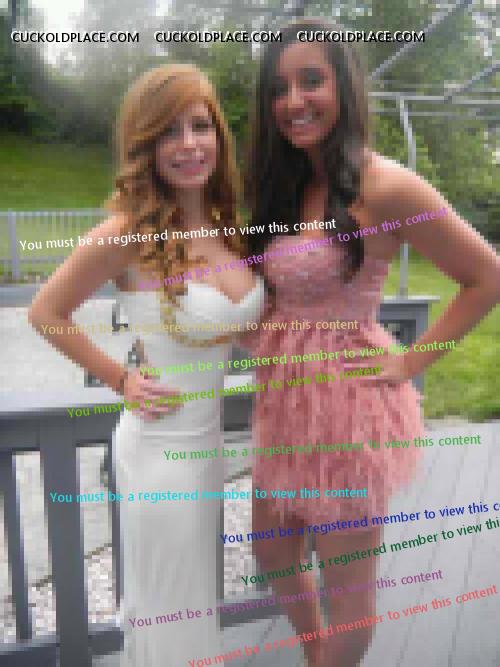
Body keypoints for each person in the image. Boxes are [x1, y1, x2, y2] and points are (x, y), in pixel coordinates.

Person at [245, 18, 500, 666]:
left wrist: (411, 360)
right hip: (283, 407)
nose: (294, 101)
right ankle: (316, 655)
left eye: (311, 81)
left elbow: (486, 276)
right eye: (279, 89)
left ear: (344, 86)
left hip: (348, 410)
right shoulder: (284, 187)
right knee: (272, 551)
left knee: (349, 598)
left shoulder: (386, 185)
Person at [28, 64, 264, 666]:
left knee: (193, 599)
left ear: (219, 135)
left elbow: (244, 333)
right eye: (168, 132)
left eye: (200, 126)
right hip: (159, 448)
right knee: (169, 603)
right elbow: (47, 311)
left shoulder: (228, 229)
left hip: (207, 447)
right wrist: (121, 378)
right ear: (146, 147)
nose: (188, 144)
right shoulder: (127, 233)